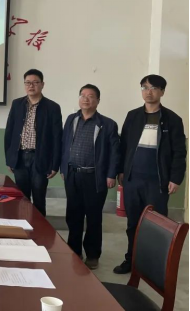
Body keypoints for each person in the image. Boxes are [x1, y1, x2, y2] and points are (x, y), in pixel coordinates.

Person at [114, 75, 187, 274]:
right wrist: (121, 170)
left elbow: (179, 152)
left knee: (156, 225)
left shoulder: (172, 119)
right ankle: (131, 260)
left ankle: (152, 265)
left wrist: (175, 178)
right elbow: (124, 146)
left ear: (162, 91)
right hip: (133, 180)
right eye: (144, 87)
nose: (148, 92)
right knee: (133, 223)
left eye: (154, 88)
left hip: (157, 182)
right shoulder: (133, 116)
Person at [61, 84, 120, 270]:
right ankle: (74, 251)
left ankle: (93, 255)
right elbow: (64, 145)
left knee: (93, 217)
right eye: (83, 95)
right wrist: (63, 168)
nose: (86, 99)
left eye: (91, 96)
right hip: (73, 175)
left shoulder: (107, 124)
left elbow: (115, 152)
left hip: (95, 177)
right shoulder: (71, 119)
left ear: (98, 101)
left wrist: (111, 175)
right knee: (73, 215)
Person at [5, 69, 62, 216]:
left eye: (35, 82)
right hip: (20, 157)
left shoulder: (52, 107)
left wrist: (55, 165)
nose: (31, 86)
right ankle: (22, 227)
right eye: (28, 83)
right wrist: (9, 158)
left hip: (40, 158)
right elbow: (9, 132)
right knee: (21, 198)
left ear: (42, 84)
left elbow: (57, 137)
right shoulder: (17, 104)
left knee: (39, 198)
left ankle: (39, 229)